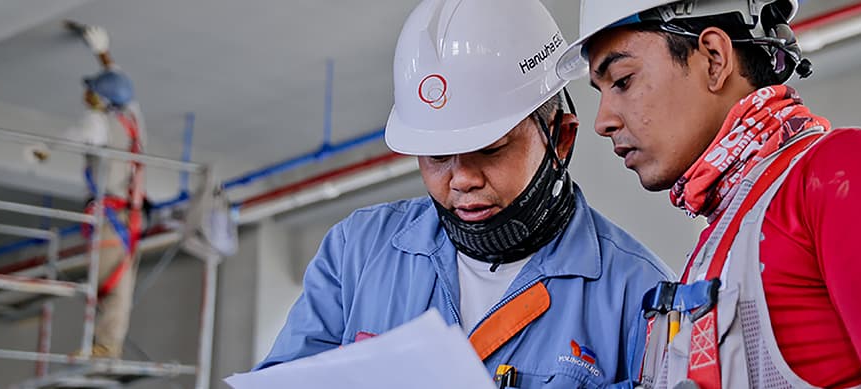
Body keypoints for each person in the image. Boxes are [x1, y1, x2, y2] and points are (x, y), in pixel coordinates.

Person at [256, 0, 673, 387]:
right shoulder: (358, 253)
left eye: (491, 149)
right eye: (437, 156)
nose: (461, 179)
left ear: (560, 138)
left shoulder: (640, 295)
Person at [557, 0, 861, 387]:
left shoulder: (846, 172)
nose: (603, 121)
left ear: (714, 59)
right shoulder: (719, 243)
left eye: (622, 80)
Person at [64, 22, 148, 359]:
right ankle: (105, 345)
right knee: (117, 282)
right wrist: (103, 54)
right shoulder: (130, 120)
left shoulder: (98, 124)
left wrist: (41, 151)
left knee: (106, 283)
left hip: (110, 216)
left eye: (91, 92)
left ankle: (103, 347)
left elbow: (73, 136)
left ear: (100, 100)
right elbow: (122, 87)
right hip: (126, 214)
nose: (85, 95)